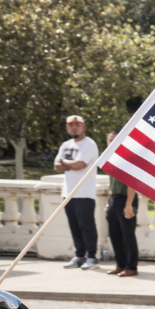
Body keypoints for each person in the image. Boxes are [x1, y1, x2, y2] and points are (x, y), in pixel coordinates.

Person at [54, 115, 99, 270]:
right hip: (68, 192)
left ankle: (92, 257)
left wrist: (64, 162)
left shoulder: (89, 144)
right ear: (67, 128)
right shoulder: (65, 145)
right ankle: (79, 255)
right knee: (74, 226)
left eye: (77, 125)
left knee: (86, 225)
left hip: (84, 192)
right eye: (71, 125)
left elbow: (80, 164)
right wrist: (69, 164)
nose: (74, 128)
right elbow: (56, 167)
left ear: (83, 127)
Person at [103, 128, 139, 278]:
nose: (112, 142)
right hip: (114, 200)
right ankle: (120, 264)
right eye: (110, 139)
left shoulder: (128, 158)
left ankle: (132, 267)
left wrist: (129, 204)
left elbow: (132, 183)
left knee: (127, 235)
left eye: (116, 139)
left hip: (126, 199)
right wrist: (108, 202)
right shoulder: (110, 158)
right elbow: (110, 184)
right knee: (114, 234)